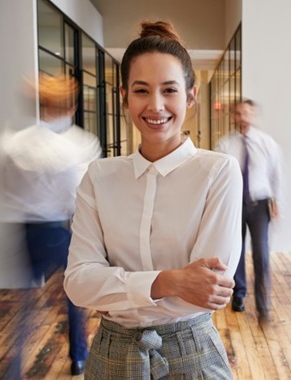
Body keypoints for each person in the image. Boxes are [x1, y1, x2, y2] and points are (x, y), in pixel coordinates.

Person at [64, 21, 242, 378]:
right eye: (141, 90)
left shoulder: (218, 171)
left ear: (191, 96)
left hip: (192, 350)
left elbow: (209, 289)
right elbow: (79, 283)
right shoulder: (99, 177)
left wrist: (115, 288)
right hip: (112, 354)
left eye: (170, 90)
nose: (156, 105)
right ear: (124, 96)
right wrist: (172, 281)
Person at [1, 73, 101, 376]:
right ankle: (79, 358)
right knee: (74, 298)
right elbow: (80, 195)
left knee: (25, 306)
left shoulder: (15, 143)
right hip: (59, 230)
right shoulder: (81, 145)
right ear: (71, 107)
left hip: (25, 231)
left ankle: (14, 368)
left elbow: (7, 188)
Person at [216, 99, 282, 325]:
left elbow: (276, 174)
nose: (243, 117)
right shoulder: (225, 144)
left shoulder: (266, 143)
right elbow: (218, 177)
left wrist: (277, 201)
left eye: (247, 113)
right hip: (234, 204)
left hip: (260, 204)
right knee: (236, 251)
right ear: (233, 116)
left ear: (253, 116)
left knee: (262, 254)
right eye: (238, 113)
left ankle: (264, 307)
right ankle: (239, 294)